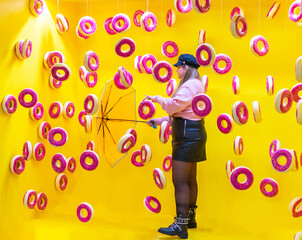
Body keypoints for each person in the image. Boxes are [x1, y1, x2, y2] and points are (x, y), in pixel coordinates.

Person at [145, 54, 207, 239]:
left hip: (187, 137)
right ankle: (189, 219)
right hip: (193, 133)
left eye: (178, 67)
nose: (176, 70)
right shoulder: (196, 85)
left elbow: (173, 106)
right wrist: (159, 120)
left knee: (179, 181)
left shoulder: (190, 85)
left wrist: (157, 98)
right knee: (189, 180)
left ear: (186, 67)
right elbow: (182, 113)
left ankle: (180, 226)